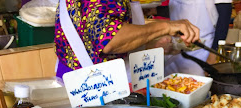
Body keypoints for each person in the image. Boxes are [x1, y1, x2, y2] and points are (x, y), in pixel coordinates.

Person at [54, 0, 200, 79]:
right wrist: (166, 27)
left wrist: (152, 44)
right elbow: (109, 40)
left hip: (96, 81)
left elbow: (91, 35)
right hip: (89, 88)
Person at [164, 0, 218, 76]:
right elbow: (177, 7)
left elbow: (224, 13)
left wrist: (213, 54)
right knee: (168, 84)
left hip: (200, 51)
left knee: (195, 84)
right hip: (173, 47)